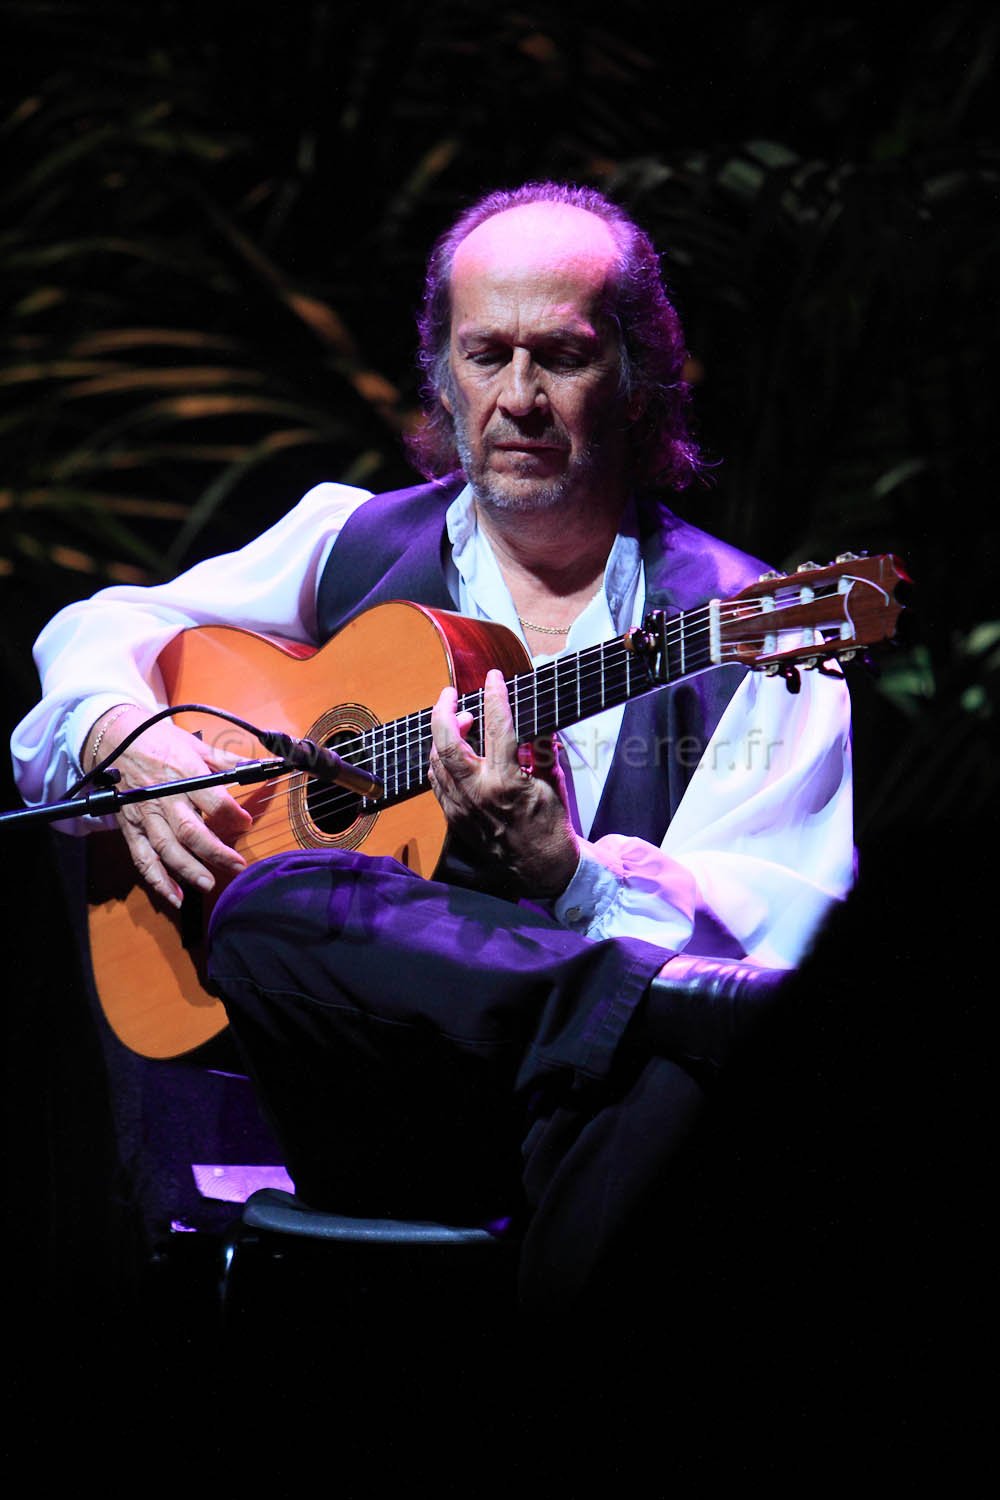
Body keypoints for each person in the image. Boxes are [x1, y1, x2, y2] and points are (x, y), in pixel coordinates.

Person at [11, 182, 854, 1341]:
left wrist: (571, 877)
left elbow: (775, 950)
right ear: (442, 375)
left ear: (638, 375)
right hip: (379, 1106)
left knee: (682, 1070)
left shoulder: (749, 629)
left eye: (563, 355)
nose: (519, 396)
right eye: (485, 354)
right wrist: (120, 732)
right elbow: (94, 629)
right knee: (278, 907)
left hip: (596, 1123)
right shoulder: (349, 544)